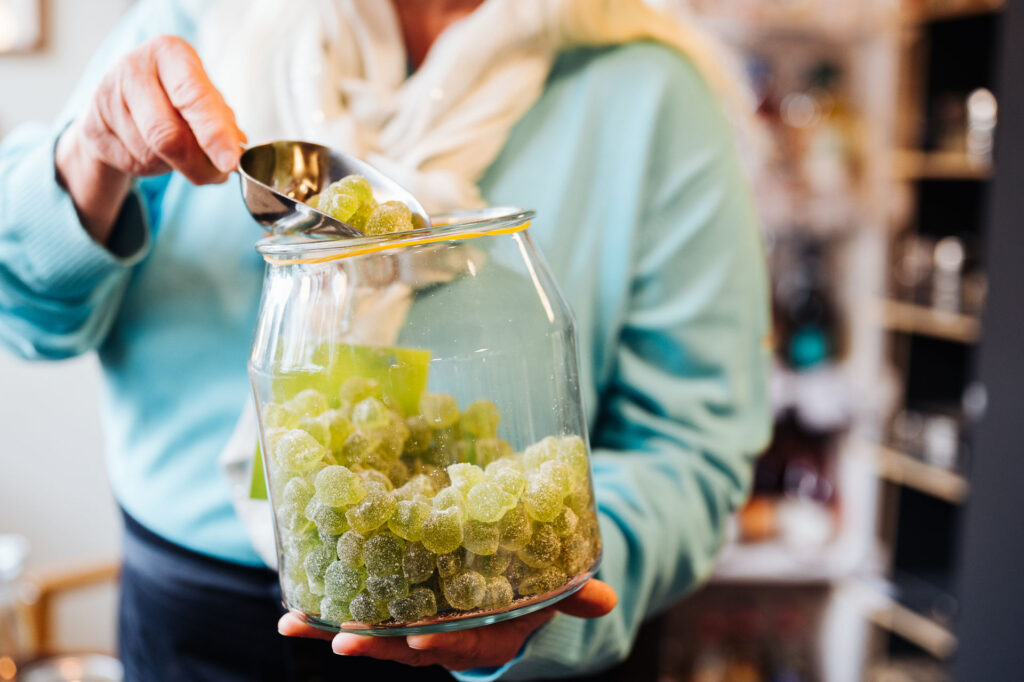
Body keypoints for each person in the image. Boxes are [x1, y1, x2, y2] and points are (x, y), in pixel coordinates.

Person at [0, 0, 771, 679]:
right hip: (193, 626)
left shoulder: (650, 90)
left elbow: (692, 444)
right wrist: (90, 160)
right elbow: (25, 315)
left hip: (504, 610)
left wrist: (541, 589)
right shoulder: (203, 29)